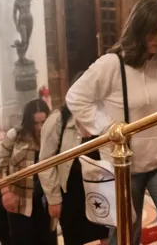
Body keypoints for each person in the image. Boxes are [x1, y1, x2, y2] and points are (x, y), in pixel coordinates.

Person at [66, 0, 157, 245]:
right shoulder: (112, 64)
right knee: (124, 237)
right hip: (123, 165)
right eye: (154, 32)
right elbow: (76, 97)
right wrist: (108, 128)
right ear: (139, 29)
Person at [38, 100, 109, 245]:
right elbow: (46, 162)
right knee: (74, 237)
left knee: (108, 235)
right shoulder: (58, 120)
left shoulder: (105, 114)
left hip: (101, 188)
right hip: (71, 192)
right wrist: (54, 198)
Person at [0, 99, 55, 245]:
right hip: (19, 201)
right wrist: (5, 192)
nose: (39, 128)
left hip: (46, 202)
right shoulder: (15, 135)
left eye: (43, 122)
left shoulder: (53, 136)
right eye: (35, 123)